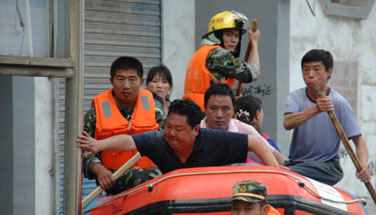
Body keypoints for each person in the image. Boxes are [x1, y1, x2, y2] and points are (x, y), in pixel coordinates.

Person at [77, 100, 282, 174]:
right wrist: (98, 144)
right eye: (169, 127)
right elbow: (128, 141)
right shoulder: (159, 140)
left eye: (179, 129)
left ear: (195, 129)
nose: (171, 133)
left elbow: (255, 142)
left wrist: (275, 172)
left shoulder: (213, 139)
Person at [283, 49, 371, 185]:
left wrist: (363, 166)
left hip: (327, 167)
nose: (310, 75)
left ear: (328, 72)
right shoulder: (296, 97)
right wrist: (316, 109)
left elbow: (359, 141)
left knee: (285, 173)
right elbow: (287, 123)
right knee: (279, 171)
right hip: (297, 164)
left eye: (316, 70)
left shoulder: (338, 102)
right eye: (306, 70)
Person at [82, 56, 161, 195]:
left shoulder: (155, 109)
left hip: (153, 175)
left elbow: (169, 141)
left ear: (141, 82)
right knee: (139, 178)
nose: (126, 85)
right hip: (114, 177)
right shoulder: (96, 114)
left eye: (132, 79)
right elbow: (84, 152)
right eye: (120, 79)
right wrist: (99, 170)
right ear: (111, 81)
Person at [183, 10, 261, 111]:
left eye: (237, 36)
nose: (234, 40)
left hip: (193, 112)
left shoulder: (202, 52)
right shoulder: (219, 55)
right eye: (229, 34)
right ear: (218, 35)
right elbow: (253, 73)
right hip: (208, 115)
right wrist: (254, 43)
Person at [200, 83, 286, 165]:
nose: (219, 115)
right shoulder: (195, 132)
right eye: (214, 108)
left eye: (225, 109)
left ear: (233, 110)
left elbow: (274, 156)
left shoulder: (245, 131)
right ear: (205, 109)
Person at [146, 64, 173, 129]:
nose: (159, 86)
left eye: (164, 82)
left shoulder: (174, 107)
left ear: (170, 86)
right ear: (147, 85)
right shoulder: (144, 106)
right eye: (155, 81)